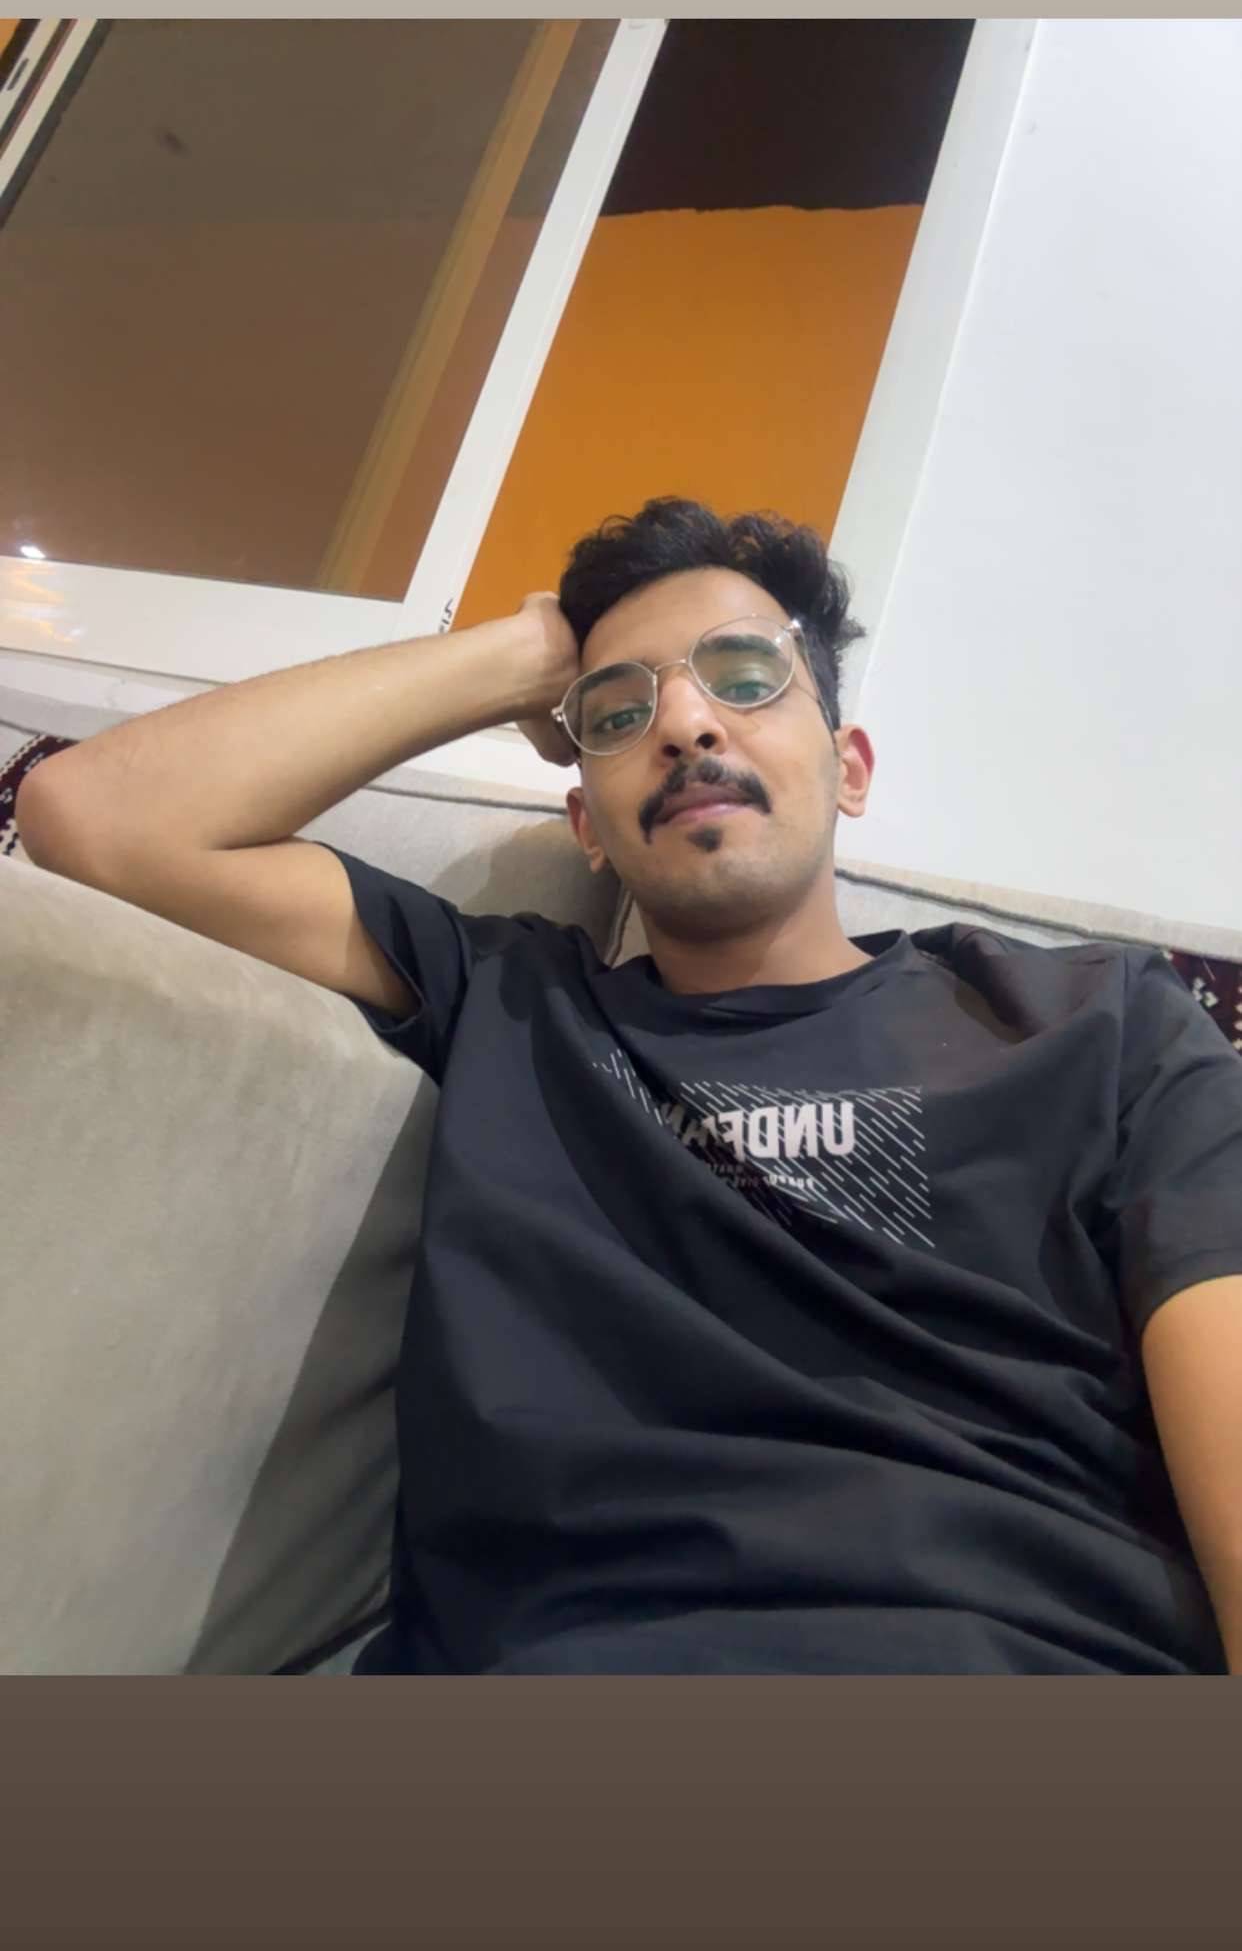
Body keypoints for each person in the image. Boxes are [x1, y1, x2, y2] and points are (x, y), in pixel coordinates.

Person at [17, 497, 1242, 1675]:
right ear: (587, 830)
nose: (688, 724)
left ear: (850, 768)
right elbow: (93, 815)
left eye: (746, 676)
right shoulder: (512, 1002)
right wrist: (523, 656)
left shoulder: (1099, 1026)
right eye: (619, 710)